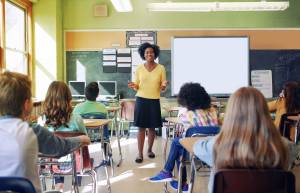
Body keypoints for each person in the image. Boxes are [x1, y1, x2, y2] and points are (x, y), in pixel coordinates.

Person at [193, 87, 298, 193]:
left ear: (231, 113)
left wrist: (214, 137)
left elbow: (194, 145)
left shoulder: (216, 145)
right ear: (264, 112)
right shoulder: (287, 147)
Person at [0, 71, 90, 193]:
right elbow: (60, 147)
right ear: (27, 104)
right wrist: (81, 139)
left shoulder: (41, 122)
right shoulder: (33, 131)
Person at [149, 82, 219, 193]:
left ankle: (173, 176)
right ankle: (177, 179)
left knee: (178, 144)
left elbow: (186, 137)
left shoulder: (187, 115)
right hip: (213, 151)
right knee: (179, 145)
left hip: (195, 153)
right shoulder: (213, 111)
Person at [42, 81, 88, 192]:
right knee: (75, 150)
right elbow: (85, 140)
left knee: (56, 149)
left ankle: (59, 186)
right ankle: (74, 186)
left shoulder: (45, 120)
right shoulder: (76, 118)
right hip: (75, 163)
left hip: (53, 164)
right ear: (68, 98)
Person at [128, 42, 168, 163]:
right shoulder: (139, 68)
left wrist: (164, 86)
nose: (149, 54)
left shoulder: (161, 68)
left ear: (155, 53)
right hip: (141, 100)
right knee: (141, 128)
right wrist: (133, 85)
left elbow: (162, 87)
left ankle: (149, 150)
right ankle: (140, 154)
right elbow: (137, 86)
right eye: (146, 52)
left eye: (151, 52)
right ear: (143, 55)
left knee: (152, 128)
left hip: (154, 100)